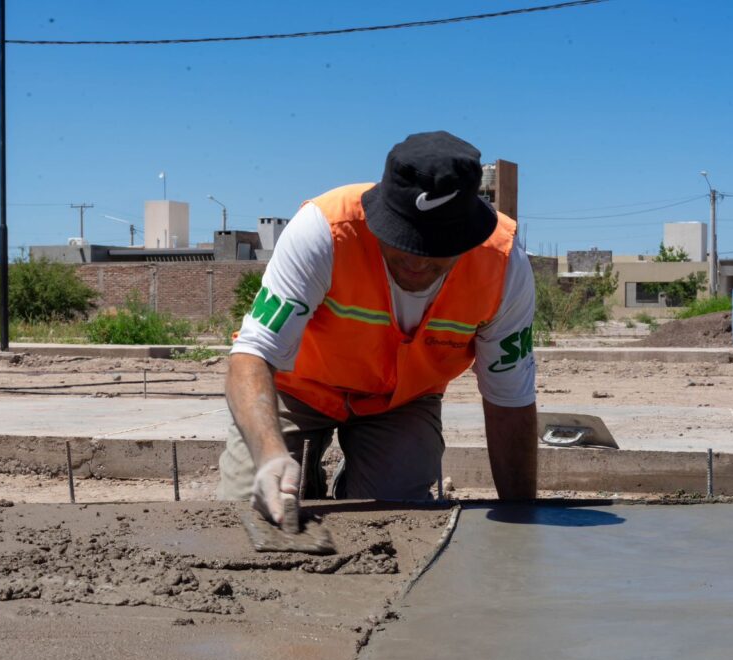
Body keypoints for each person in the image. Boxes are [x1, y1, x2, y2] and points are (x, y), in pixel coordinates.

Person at [217, 131, 537, 526]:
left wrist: (524, 522)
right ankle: (301, 470)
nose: (417, 263)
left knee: (396, 514)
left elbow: (510, 402)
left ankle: (357, 483)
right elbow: (253, 354)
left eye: (436, 250)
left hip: (401, 400)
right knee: (249, 505)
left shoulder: (503, 266)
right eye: (404, 243)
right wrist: (269, 454)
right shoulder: (325, 230)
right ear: (379, 217)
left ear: (469, 235)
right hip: (297, 386)